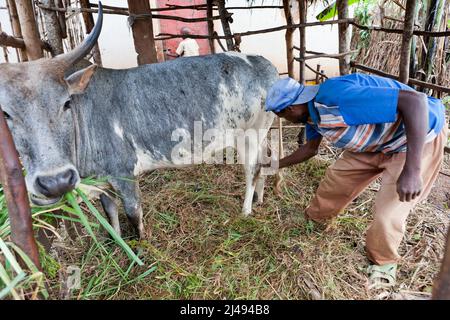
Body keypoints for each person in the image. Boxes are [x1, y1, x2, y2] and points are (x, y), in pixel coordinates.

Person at [265, 73, 447, 289]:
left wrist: (413, 168)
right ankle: (315, 219)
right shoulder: (311, 115)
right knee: (336, 180)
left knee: (389, 210)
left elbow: (414, 101)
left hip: (413, 140)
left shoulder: (335, 98)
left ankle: (383, 263)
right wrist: (272, 165)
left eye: (281, 115)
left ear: (290, 109)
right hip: (375, 143)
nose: (283, 119)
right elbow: (309, 149)